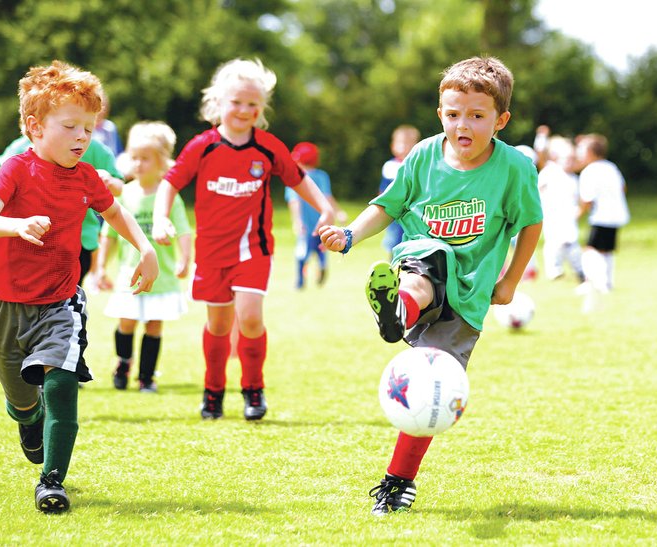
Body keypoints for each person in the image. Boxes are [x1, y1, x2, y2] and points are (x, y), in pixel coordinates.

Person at [319, 56, 543, 515]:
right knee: (428, 262)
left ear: (500, 120)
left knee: (431, 388)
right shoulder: (423, 154)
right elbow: (387, 206)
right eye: (453, 113)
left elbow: (532, 225)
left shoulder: (515, 168)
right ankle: (398, 310)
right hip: (424, 260)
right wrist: (348, 238)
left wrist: (510, 283)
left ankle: (397, 482)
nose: (464, 124)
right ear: (441, 113)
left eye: (477, 116)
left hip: (472, 293)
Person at [0, 60, 158, 513]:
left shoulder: (87, 176)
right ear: (35, 127)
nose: (82, 137)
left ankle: (51, 480)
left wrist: (145, 248)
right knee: (21, 400)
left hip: (60, 299)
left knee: (62, 378)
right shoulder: (15, 168)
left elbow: (114, 212)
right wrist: (16, 225)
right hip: (1, 304)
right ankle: (27, 417)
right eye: (70, 126)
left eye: (89, 129)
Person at [152, 58, 335, 421]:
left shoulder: (267, 148)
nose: (244, 110)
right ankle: (213, 390)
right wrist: (160, 217)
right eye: (236, 102)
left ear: (261, 109)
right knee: (219, 326)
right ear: (218, 103)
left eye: (253, 104)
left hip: (254, 250)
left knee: (250, 319)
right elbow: (170, 183)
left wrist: (325, 208)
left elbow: (298, 179)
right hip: (211, 253)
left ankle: (254, 389)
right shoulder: (203, 146)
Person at [0, 129, 125, 382]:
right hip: (33, 240)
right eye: (70, 124)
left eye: (87, 124)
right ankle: (13, 349)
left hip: (80, 241)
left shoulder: (96, 149)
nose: (80, 133)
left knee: (63, 303)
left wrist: (109, 181)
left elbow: (117, 188)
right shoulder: (22, 149)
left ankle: (60, 360)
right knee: (23, 305)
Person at [96, 121, 192, 392]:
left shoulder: (169, 195)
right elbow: (109, 234)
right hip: (130, 274)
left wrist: (185, 258)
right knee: (126, 323)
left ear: (162, 161)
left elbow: (184, 229)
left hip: (161, 277)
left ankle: (146, 377)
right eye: (134, 157)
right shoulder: (125, 193)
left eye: (145, 158)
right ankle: (123, 362)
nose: (138, 164)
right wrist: (101, 267)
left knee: (153, 326)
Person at [285, 141, 345, 289]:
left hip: (306, 223)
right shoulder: (321, 176)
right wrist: (338, 212)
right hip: (322, 222)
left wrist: (297, 221)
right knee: (322, 247)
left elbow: (294, 202)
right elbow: (327, 197)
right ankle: (322, 266)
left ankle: (300, 281)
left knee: (302, 251)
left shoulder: (294, 176)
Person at [575, 133, 630, 293]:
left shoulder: (589, 171)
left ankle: (595, 282)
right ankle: (607, 281)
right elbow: (623, 188)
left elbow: (587, 199)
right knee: (606, 250)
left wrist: (578, 214)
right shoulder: (611, 167)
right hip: (617, 215)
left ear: (590, 152)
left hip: (601, 216)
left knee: (590, 250)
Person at [537, 135, 584, 281]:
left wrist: (577, 210)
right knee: (553, 242)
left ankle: (579, 270)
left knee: (571, 241)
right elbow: (539, 190)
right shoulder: (550, 172)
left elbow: (577, 197)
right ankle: (554, 270)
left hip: (568, 214)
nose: (569, 162)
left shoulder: (573, 178)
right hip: (551, 213)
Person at [379, 125, 420, 259]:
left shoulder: (417, 164)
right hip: (393, 213)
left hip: (413, 212)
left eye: (408, 143)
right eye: (401, 143)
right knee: (393, 240)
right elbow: (383, 191)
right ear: (393, 146)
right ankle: (393, 264)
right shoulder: (390, 166)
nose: (404, 147)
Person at [94, 88, 123, 157]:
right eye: (99, 107)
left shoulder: (110, 127)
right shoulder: (85, 128)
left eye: (104, 106)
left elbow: (118, 152)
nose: (102, 111)